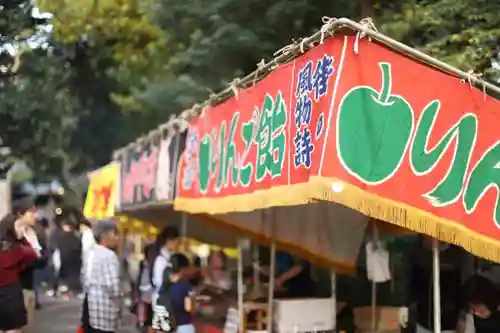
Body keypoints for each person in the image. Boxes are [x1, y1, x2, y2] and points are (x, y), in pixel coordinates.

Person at [0, 213, 39, 333]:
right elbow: (33, 255)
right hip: (12, 292)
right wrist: (23, 239)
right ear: (10, 228)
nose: (23, 230)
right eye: (19, 226)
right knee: (14, 329)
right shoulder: (20, 249)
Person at [81, 220, 121, 333]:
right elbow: (113, 287)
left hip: (90, 307)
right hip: (105, 310)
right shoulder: (109, 255)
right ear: (104, 235)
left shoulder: (90, 252)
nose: (117, 238)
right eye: (115, 234)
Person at [153, 253, 195, 333]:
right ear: (184, 269)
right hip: (183, 326)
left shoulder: (164, 285)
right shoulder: (184, 285)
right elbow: (189, 308)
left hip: (164, 326)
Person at [152, 226, 181, 307]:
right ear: (169, 241)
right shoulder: (161, 259)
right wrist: (171, 278)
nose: (177, 244)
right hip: (161, 300)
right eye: (176, 241)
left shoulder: (168, 257)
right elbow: (158, 281)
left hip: (166, 299)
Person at [57, 219, 82, 298]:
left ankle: (65, 290)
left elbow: (58, 246)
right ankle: (73, 290)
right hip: (74, 260)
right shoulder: (76, 237)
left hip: (64, 259)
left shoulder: (61, 236)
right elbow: (79, 247)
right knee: (73, 275)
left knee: (65, 276)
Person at [135, 244, 156, 332]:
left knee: (148, 315)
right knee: (149, 315)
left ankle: (144, 325)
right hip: (147, 293)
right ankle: (144, 325)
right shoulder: (148, 264)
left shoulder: (145, 263)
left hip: (146, 293)